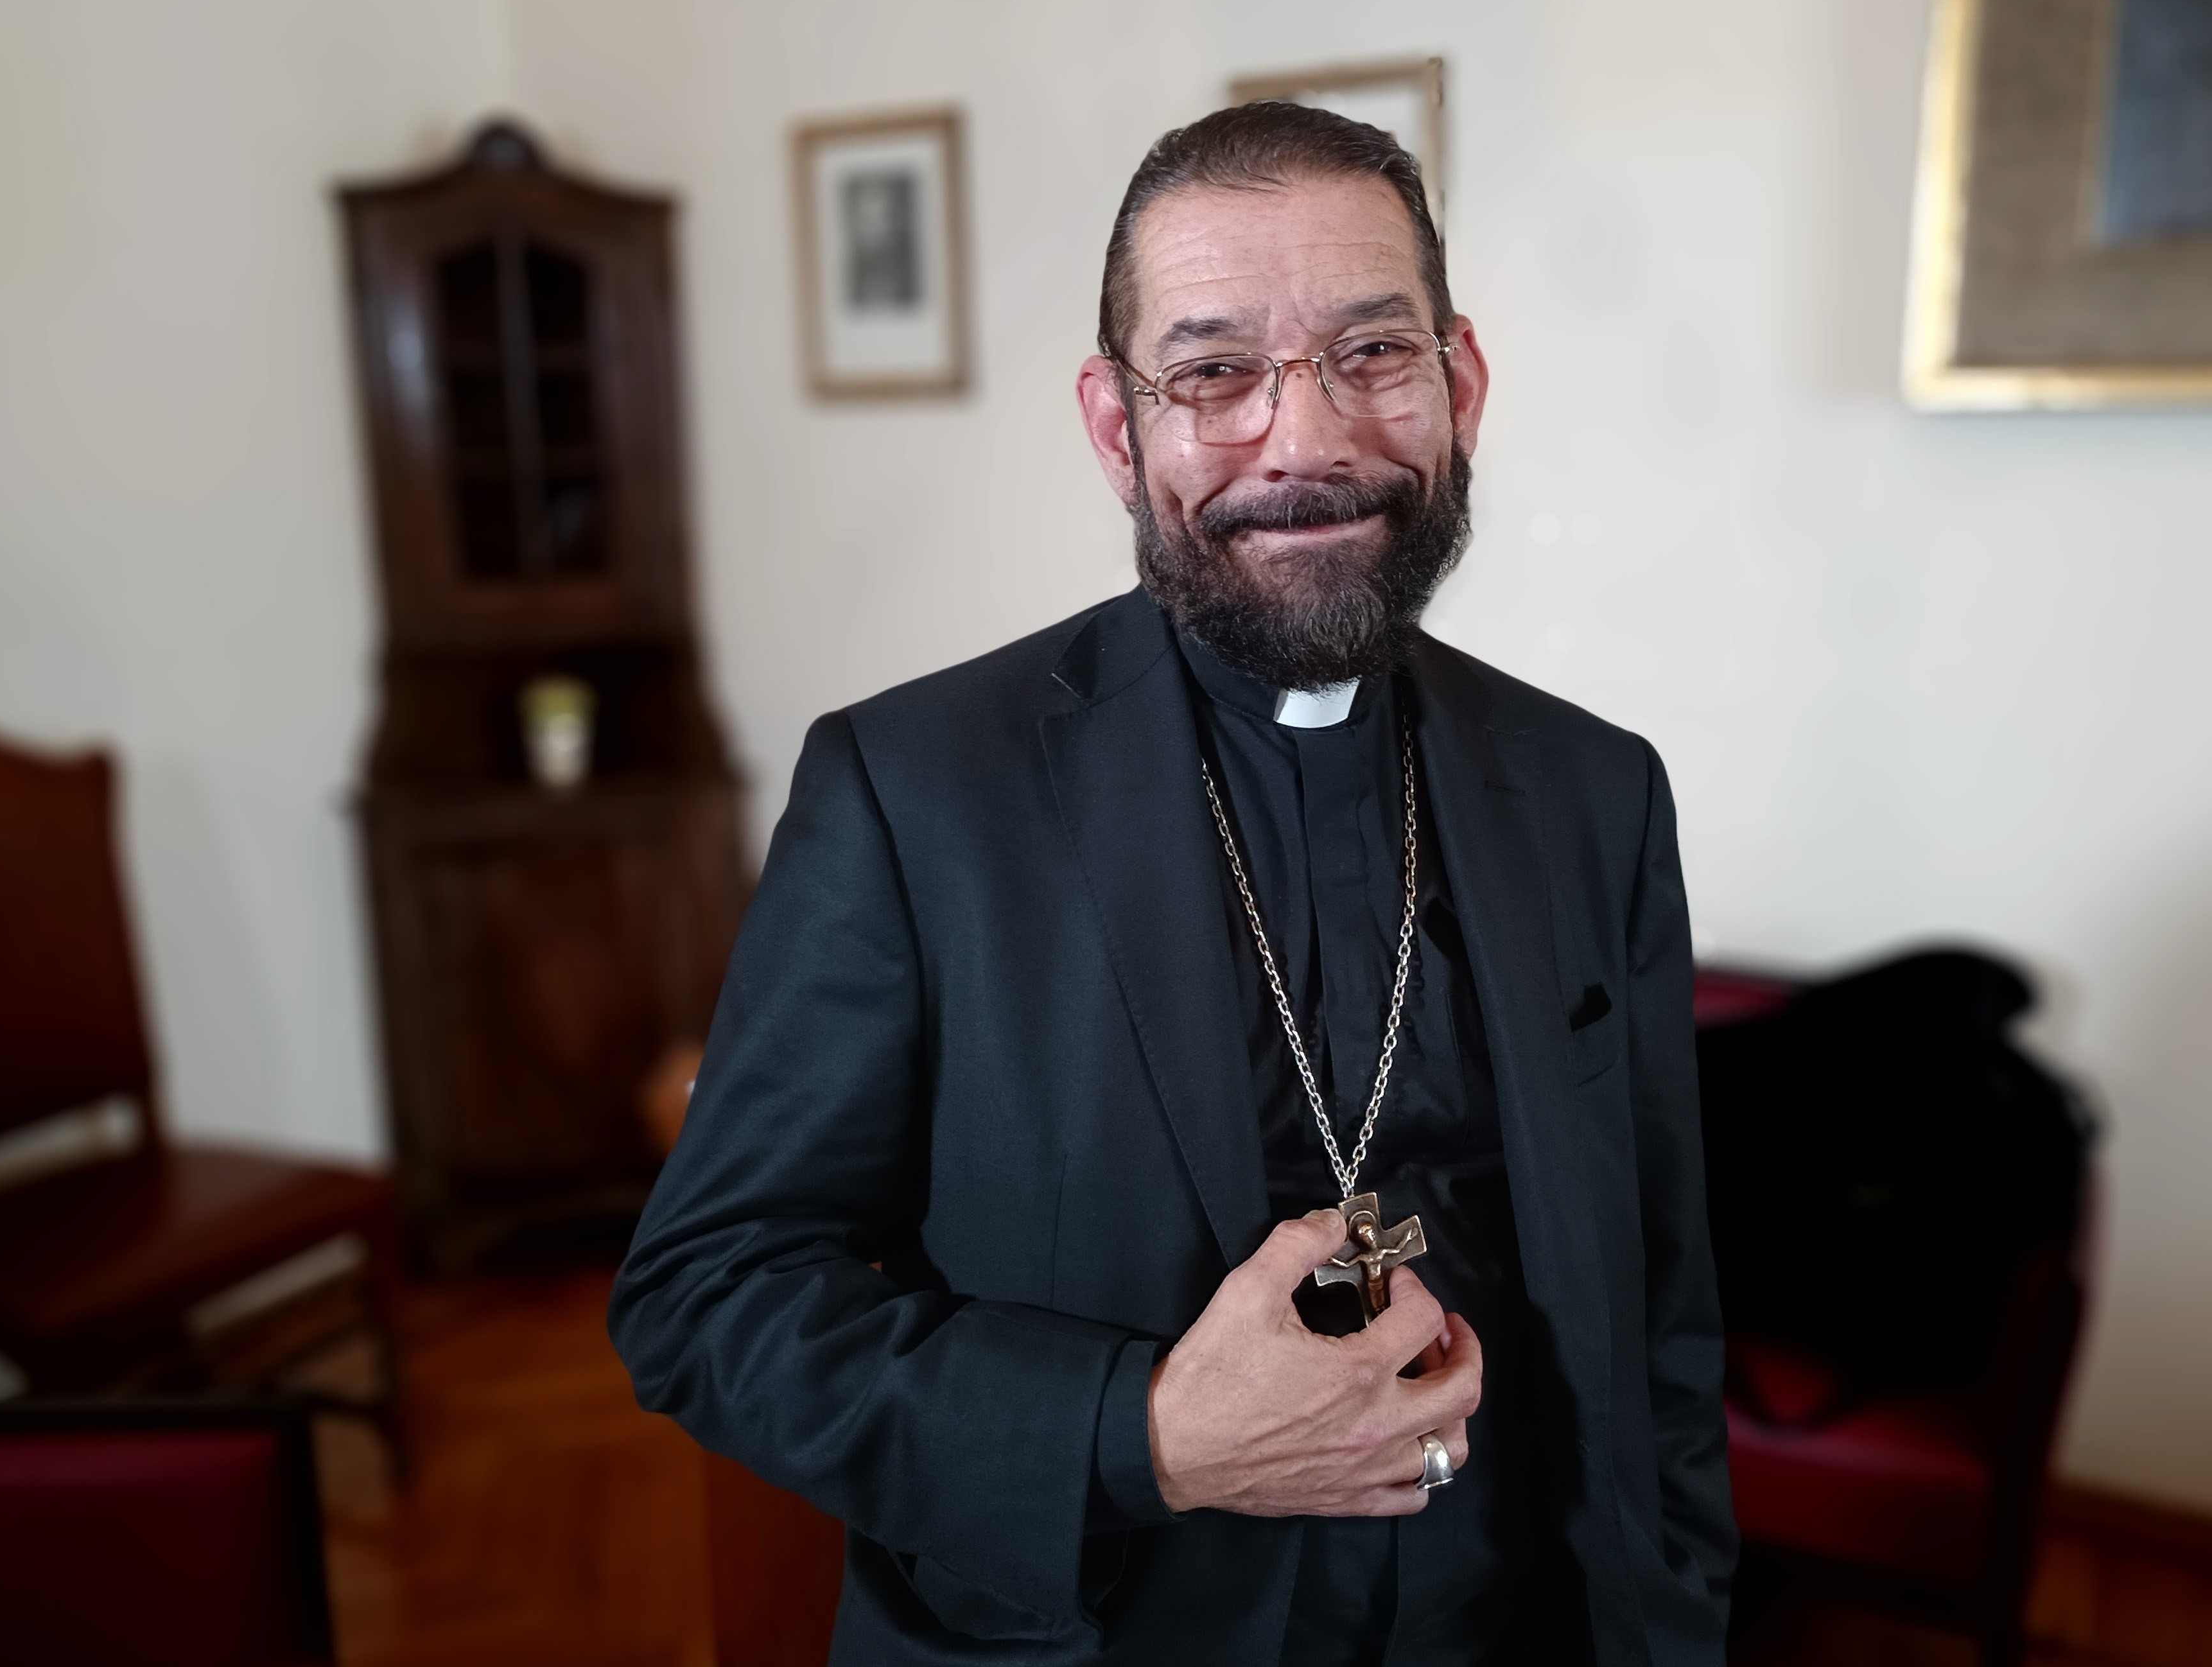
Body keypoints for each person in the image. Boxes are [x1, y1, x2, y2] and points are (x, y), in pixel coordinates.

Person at [611, 101, 1736, 1665]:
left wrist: (1673, 1628)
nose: (1307, 441)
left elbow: (1661, 1301)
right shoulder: (913, 790)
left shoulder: (1592, 787)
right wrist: (1141, 1434)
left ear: (1457, 382)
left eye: (1372, 354)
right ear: (1111, 423)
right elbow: (708, 1300)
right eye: (1213, 373)